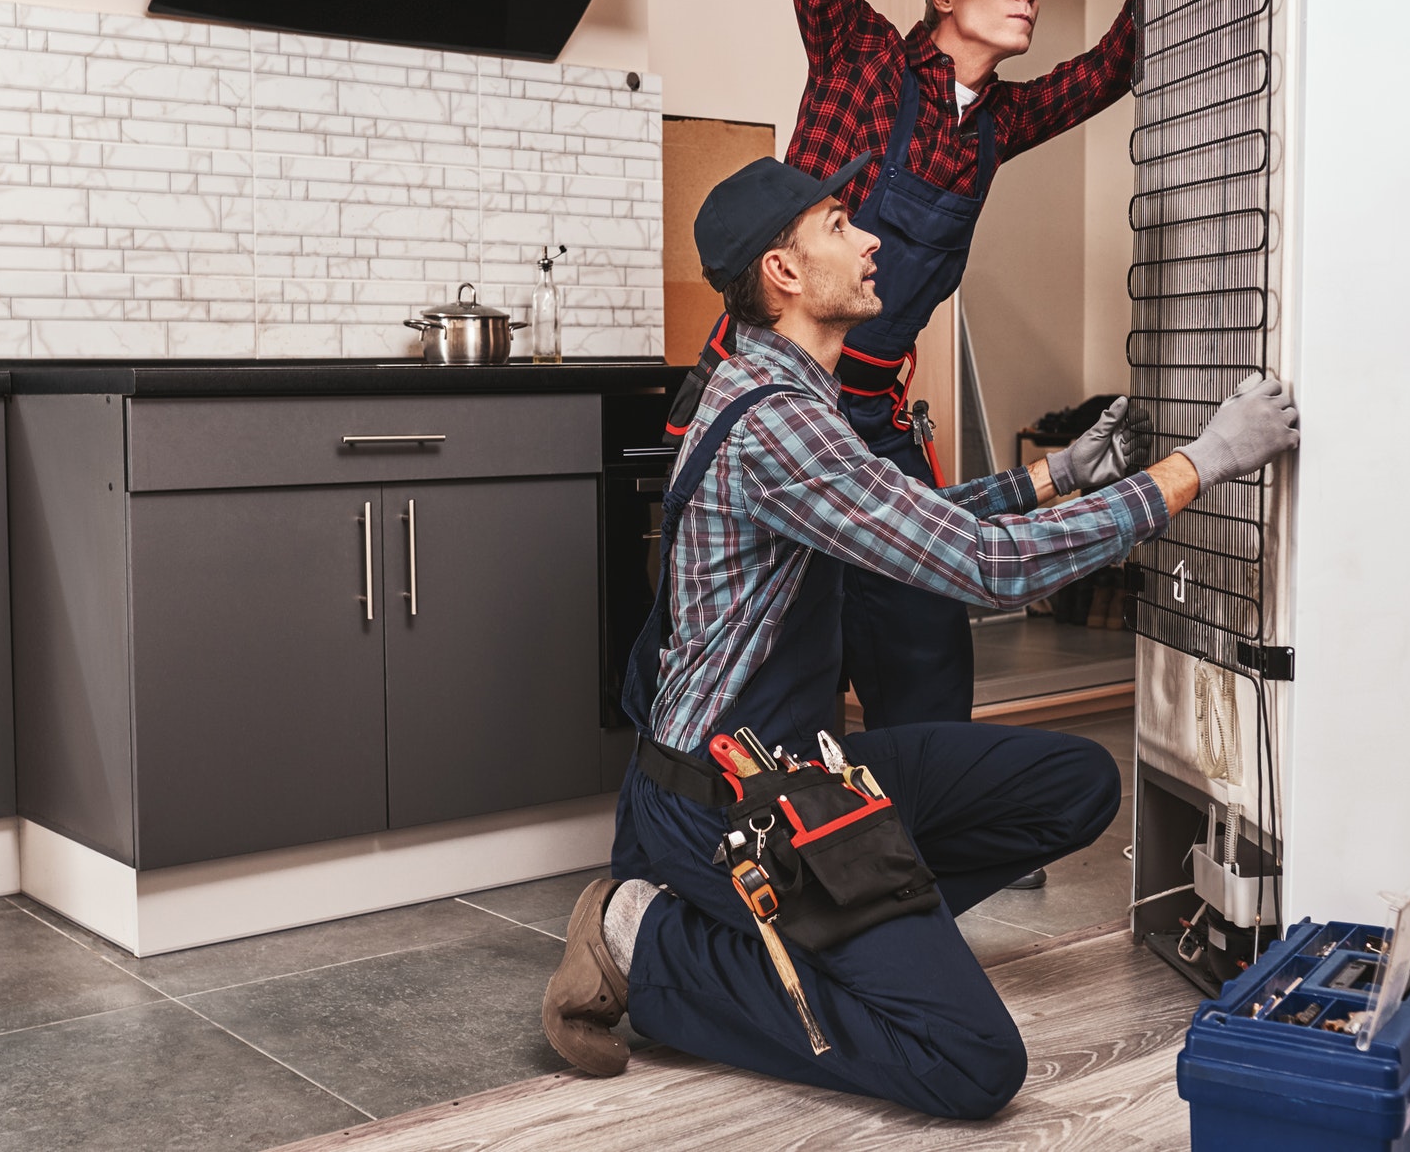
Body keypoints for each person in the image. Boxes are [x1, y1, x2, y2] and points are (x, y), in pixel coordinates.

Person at [540, 158, 1299, 1118]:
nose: (869, 242)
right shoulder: (779, 425)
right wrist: (1204, 464)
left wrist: (1057, 475)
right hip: (732, 805)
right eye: (840, 224)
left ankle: (856, 925)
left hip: (799, 768)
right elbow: (983, 567)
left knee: (1076, 785)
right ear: (783, 272)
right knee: (971, 1059)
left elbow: (909, 522)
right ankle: (648, 938)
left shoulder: (787, 397)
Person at [664, 0, 1142, 734]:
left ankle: (938, 817)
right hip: (772, 395)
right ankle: (746, 841)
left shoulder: (998, 126)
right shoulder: (865, 61)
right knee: (771, 650)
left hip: (876, 421)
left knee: (926, 637)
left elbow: (1112, 67)